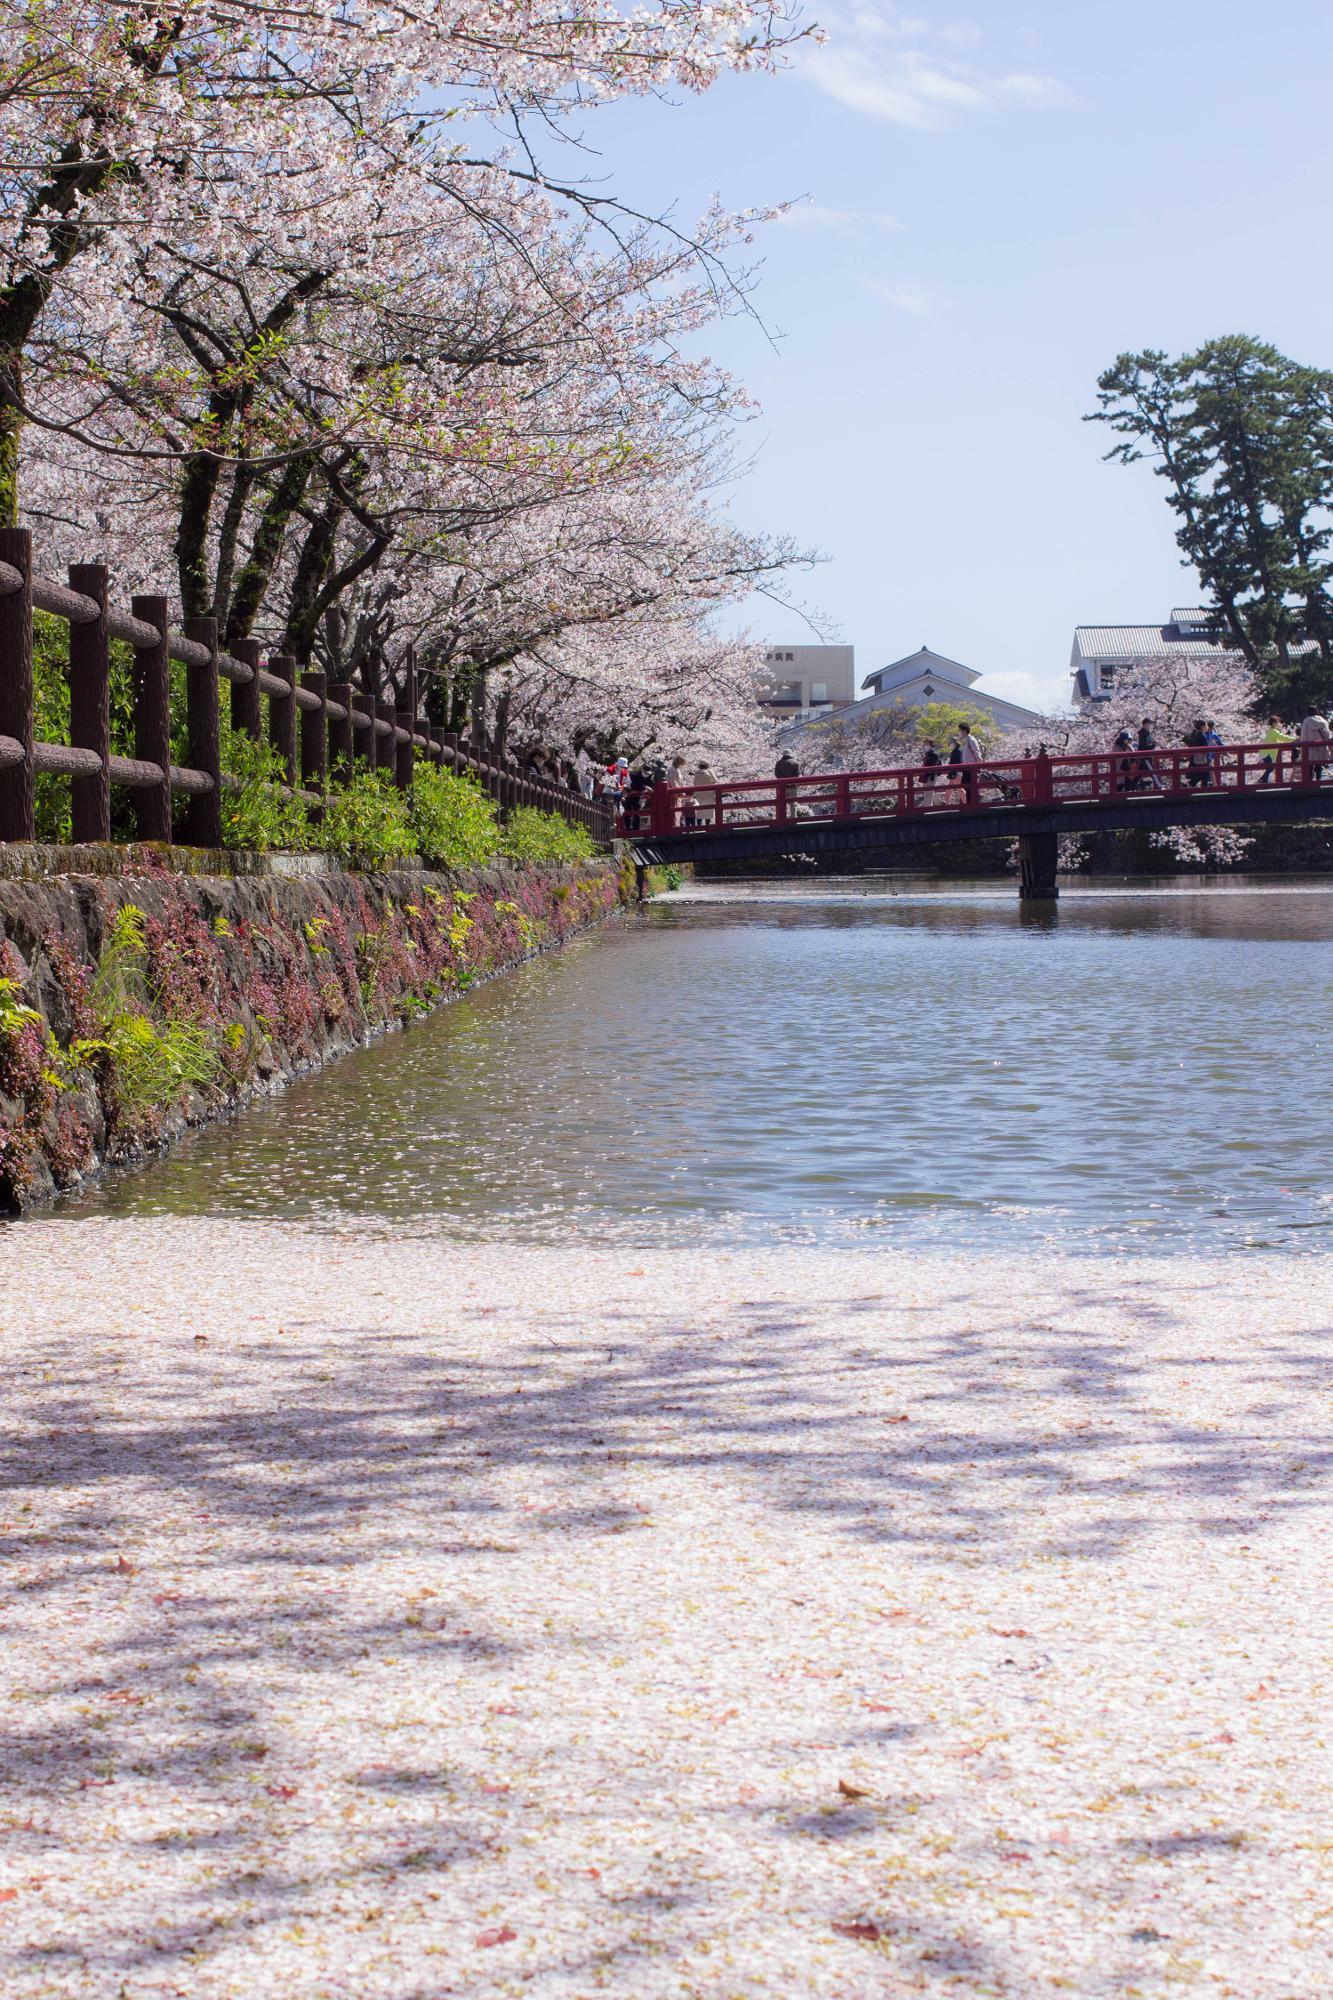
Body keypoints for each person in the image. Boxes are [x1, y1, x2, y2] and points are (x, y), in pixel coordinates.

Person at [1299, 706, 1331, 782]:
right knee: (1319, 763)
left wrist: (1302, 745)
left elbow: (1303, 735)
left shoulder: (1306, 721)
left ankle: (1310, 781)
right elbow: (1327, 734)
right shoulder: (1323, 721)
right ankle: (1318, 780)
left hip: (1309, 747)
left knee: (1309, 764)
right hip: (1320, 746)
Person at [1135, 716, 1164, 793]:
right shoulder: (1142, 734)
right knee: (1152, 771)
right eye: (1148, 724)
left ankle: (1131, 786)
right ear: (1144, 724)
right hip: (1145, 756)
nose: (1150, 725)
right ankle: (1159, 786)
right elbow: (1144, 747)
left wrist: (1153, 743)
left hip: (1145, 756)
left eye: (1150, 724)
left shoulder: (1147, 733)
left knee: (1139, 774)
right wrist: (1154, 744)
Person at [1260, 714, 1290, 786]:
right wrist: (1293, 739)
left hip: (1265, 753)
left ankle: (1263, 781)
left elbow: (1278, 739)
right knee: (1270, 768)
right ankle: (1262, 781)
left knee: (1270, 768)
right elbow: (1281, 737)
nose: (1279, 724)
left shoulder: (1271, 731)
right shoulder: (1273, 731)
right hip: (1267, 753)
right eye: (1277, 722)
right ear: (1273, 723)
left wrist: (1289, 740)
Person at [957, 722, 983, 803]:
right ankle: (970, 804)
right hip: (966, 768)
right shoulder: (966, 740)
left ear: (964, 731)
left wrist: (980, 765)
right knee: (966, 787)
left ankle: (973, 804)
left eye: (960, 730)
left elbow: (977, 753)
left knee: (970, 788)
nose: (959, 732)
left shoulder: (971, 740)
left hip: (971, 769)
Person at [691, 759, 719, 828]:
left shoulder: (696, 773)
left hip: (699, 796)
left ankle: (698, 828)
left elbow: (694, 783)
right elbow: (715, 781)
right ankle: (707, 828)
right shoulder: (710, 772)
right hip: (709, 795)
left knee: (699, 813)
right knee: (708, 813)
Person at [1185, 718, 1212, 789]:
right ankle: (1203, 789)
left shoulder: (1197, 734)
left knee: (1199, 775)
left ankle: (1192, 785)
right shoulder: (1201, 735)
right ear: (1202, 726)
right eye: (1206, 725)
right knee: (1203, 775)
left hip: (1196, 757)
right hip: (1201, 758)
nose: (1207, 727)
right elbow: (1204, 747)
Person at [1113, 727, 1136, 794]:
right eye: (1127, 739)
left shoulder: (1128, 746)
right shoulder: (1116, 746)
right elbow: (1116, 757)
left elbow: (1133, 753)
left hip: (1127, 768)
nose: (1128, 740)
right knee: (1119, 787)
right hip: (1119, 769)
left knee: (1129, 786)